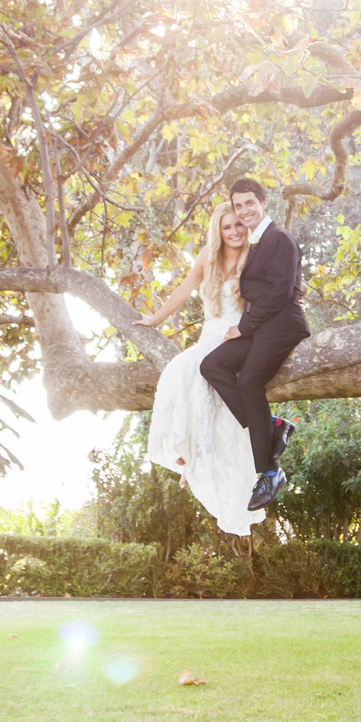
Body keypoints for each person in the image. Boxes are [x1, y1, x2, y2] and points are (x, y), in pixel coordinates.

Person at [134, 198, 265, 537]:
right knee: (182, 372)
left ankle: (197, 454)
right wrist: (155, 319)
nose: (235, 231)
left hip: (238, 332)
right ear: (218, 231)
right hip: (212, 331)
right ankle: (190, 454)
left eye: (239, 224)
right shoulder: (208, 258)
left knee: (201, 373)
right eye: (227, 226)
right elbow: (183, 289)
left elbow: (268, 300)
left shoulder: (256, 255)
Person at [200, 177, 308, 510]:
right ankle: (273, 425)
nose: (244, 210)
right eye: (237, 205)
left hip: (282, 327)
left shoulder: (280, 238)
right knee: (212, 365)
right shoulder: (258, 243)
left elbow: (278, 293)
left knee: (248, 382)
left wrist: (242, 327)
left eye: (249, 203)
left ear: (263, 203)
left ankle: (269, 472)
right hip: (262, 328)